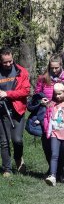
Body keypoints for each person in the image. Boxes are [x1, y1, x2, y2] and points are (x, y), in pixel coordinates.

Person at [35, 55, 64, 170]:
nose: (54, 70)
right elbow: (37, 94)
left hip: (62, 115)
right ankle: (51, 167)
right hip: (47, 114)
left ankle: (59, 169)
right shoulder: (43, 78)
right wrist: (40, 100)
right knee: (47, 143)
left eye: (56, 68)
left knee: (61, 143)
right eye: (52, 68)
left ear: (61, 66)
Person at [0, 47, 30, 176]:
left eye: (10, 61)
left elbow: (25, 91)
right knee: (4, 141)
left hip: (18, 110)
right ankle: (7, 169)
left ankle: (18, 158)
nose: (8, 64)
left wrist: (7, 94)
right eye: (5, 62)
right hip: (2, 112)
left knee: (17, 140)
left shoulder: (21, 71)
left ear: (13, 58)